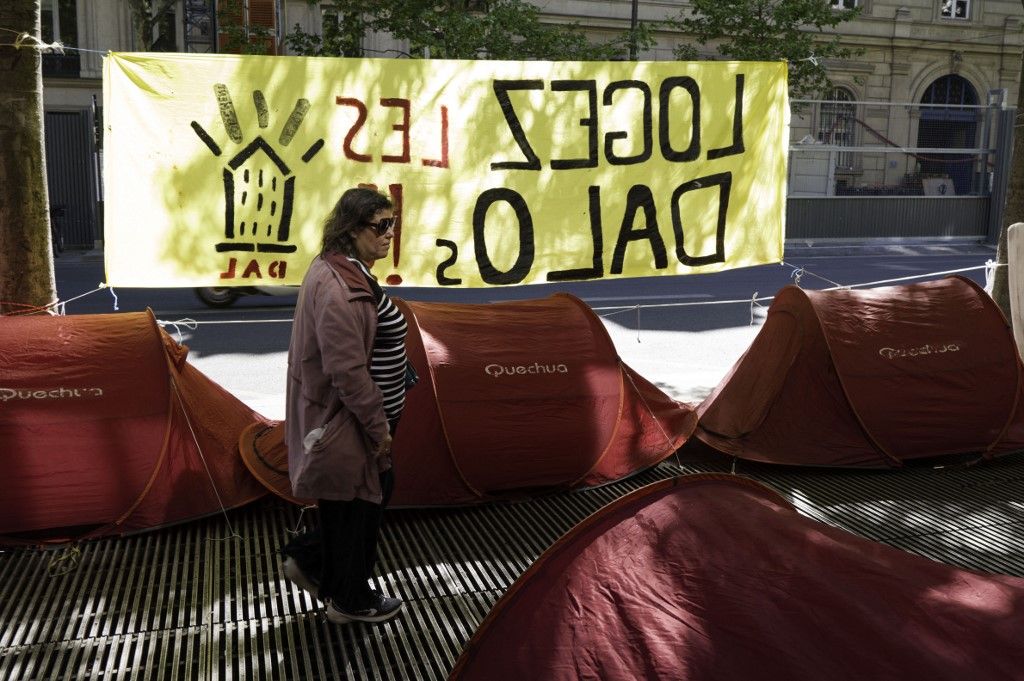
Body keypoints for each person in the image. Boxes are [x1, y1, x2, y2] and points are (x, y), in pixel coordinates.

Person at [280, 187, 409, 625]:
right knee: (364, 506)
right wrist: (379, 429)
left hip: (350, 418)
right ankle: (350, 601)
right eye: (381, 226)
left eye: (393, 224)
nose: (390, 234)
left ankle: (312, 566)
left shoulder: (343, 269)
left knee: (349, 506)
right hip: (352, 421)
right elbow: (348, 372)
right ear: (353, 230)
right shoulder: (339, 288)